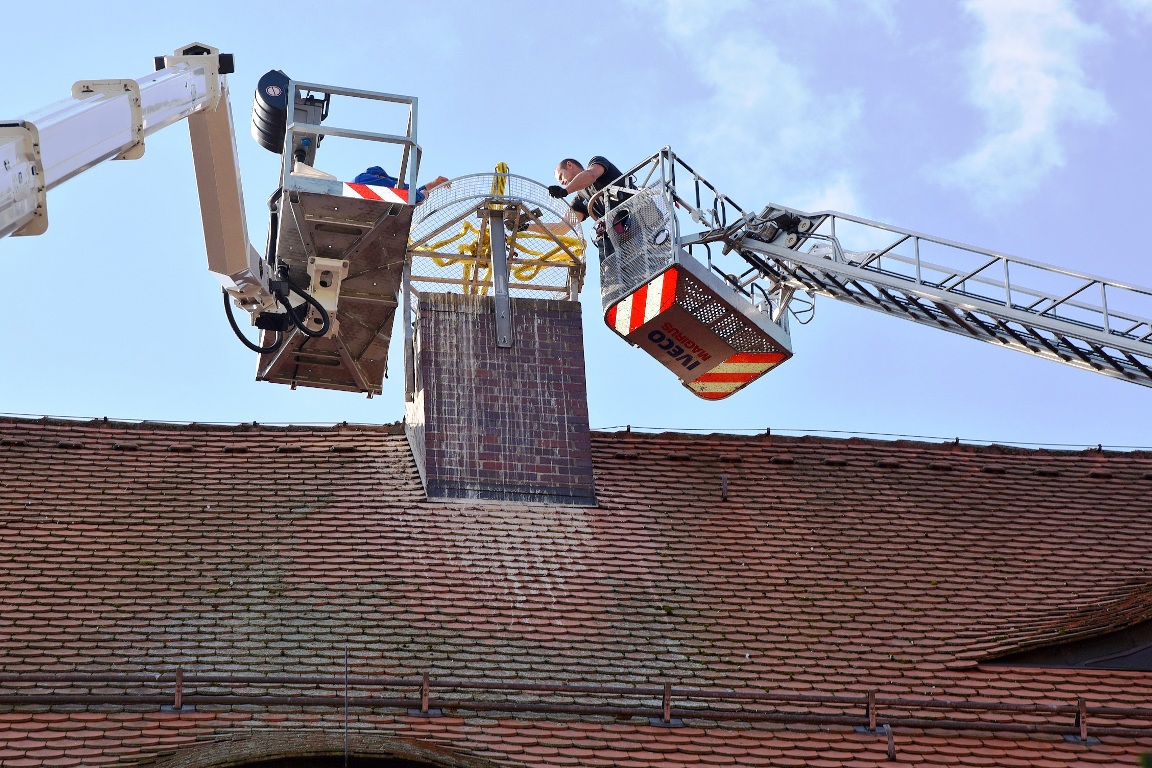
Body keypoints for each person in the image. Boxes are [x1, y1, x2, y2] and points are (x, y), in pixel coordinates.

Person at [548, 157, 632, 257]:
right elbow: (562, 227)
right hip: (623, 236)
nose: (561, 182)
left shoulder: (597, 162)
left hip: (637, 212)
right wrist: (527, 226)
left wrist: (565, 191)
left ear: (569, 165)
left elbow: (591, 175)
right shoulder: (580, 200)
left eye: (561, 176)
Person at [354, 166, 449, 204]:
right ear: (379, 176)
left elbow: (404, 194)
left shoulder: (361, 183)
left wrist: (430, 185)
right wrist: (422, 196)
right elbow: (409, 194)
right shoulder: (366, 179)